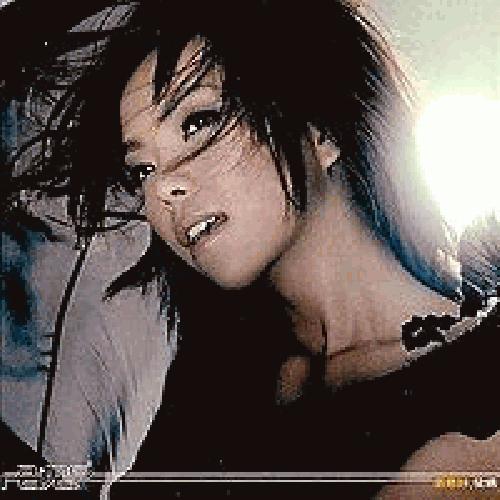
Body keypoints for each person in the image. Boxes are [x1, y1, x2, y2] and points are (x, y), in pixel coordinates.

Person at [1, 1, 499, 498]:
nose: (162, 188)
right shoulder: (218, 374)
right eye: (142, 170)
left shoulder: (483, 378)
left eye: (198, 122)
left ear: (320, 129)